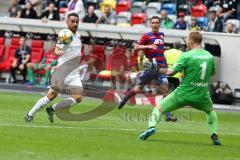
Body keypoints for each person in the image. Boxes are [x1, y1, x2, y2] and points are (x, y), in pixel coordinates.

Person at [139, 31, 221, 146]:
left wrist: (153, 67)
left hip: (183, 94)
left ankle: (151, 127)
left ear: (191, 41)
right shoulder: (209, 56)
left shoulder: (186, 55)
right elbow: (212, 73)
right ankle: (214, 133)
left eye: (187, 39)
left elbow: (171, 72)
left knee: (158, 109)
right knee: (210, 111)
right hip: (201, 95)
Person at [24, 13, 86, 123]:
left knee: (78, 98)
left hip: (74, 73)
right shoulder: (65, 34)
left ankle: (52, 109)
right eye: (72, 21)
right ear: (67, 22)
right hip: (62, 72)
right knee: (51, 95)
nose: (75, 23)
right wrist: (58, 52)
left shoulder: (79, 35)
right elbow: (57, 48)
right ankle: (29, 114)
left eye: (77, 21)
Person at [117, 16, 177, 122]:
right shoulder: (146, 36)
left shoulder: (162, 35)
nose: (155, 24)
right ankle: (125, 99)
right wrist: (148, 47)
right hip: (150, 67)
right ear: (150, 24)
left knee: (166, 91)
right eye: (153, 22)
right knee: (138, 88)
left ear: (159, 24)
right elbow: (136, 47)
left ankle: (168, 115)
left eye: (157, 22)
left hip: (160, 68)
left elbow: (160, 51)